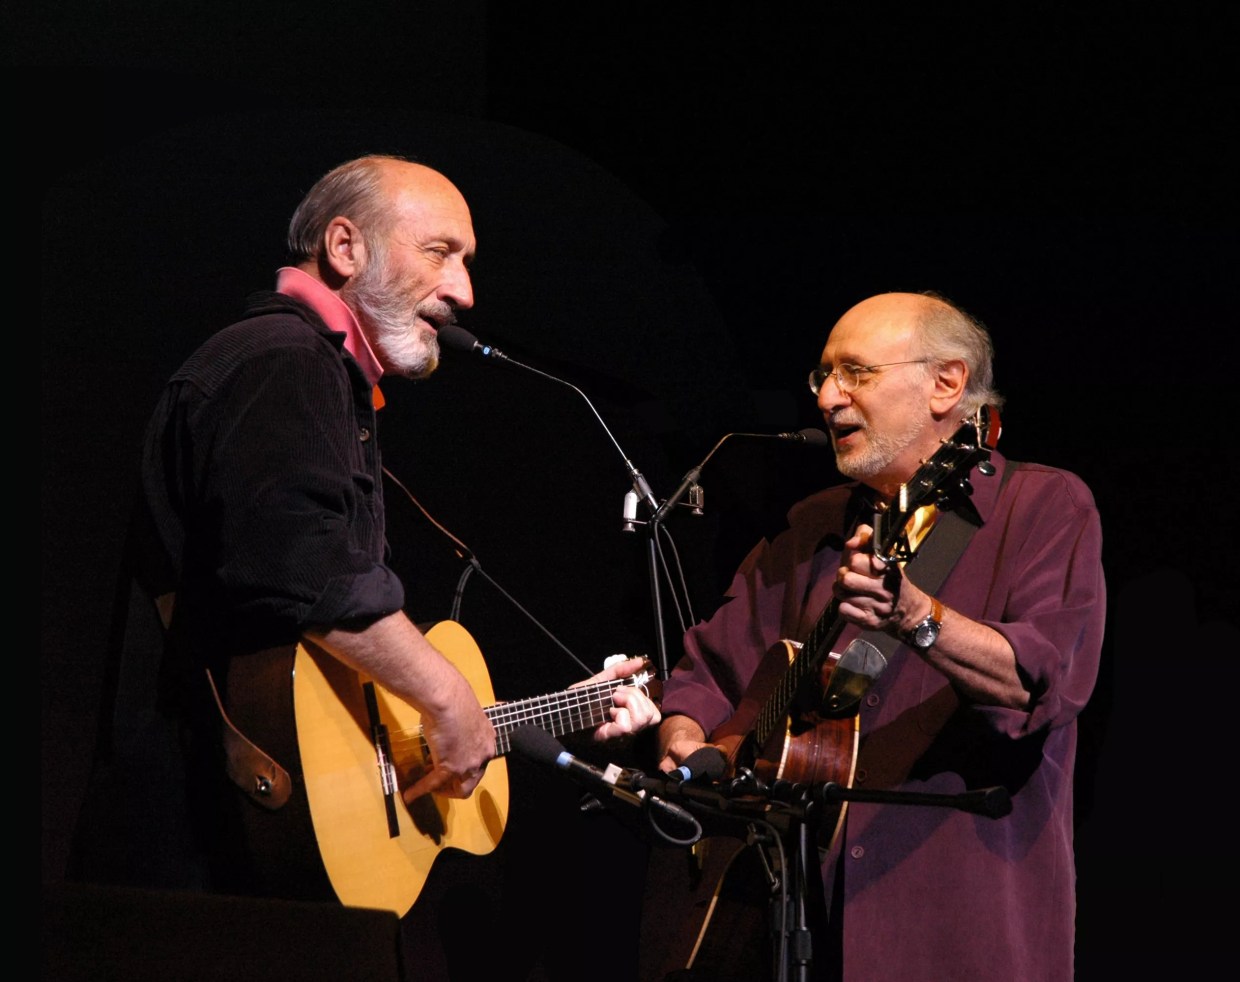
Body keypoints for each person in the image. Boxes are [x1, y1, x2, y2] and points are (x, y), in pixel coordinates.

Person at [70, 154, 659, 908]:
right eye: (440, 252)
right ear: (345, 248)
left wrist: (551, 709)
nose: (465, 292)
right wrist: (446, 697)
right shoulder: (282, 362)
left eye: (468, 263)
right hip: (200, 861)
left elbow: (319, 643)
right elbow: (305, 577)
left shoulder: (311, 376)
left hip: (238, 859)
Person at [653, 291, 1104, 981]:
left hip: (952, 924)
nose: (829, 398)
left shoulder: (1042, 506)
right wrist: (691, 755)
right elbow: (704, 677)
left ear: (947, 384)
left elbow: (1039, 683)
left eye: (856, 373)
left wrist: (917, 616)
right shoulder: (810, 527)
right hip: (787, 925)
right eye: (823, 376)